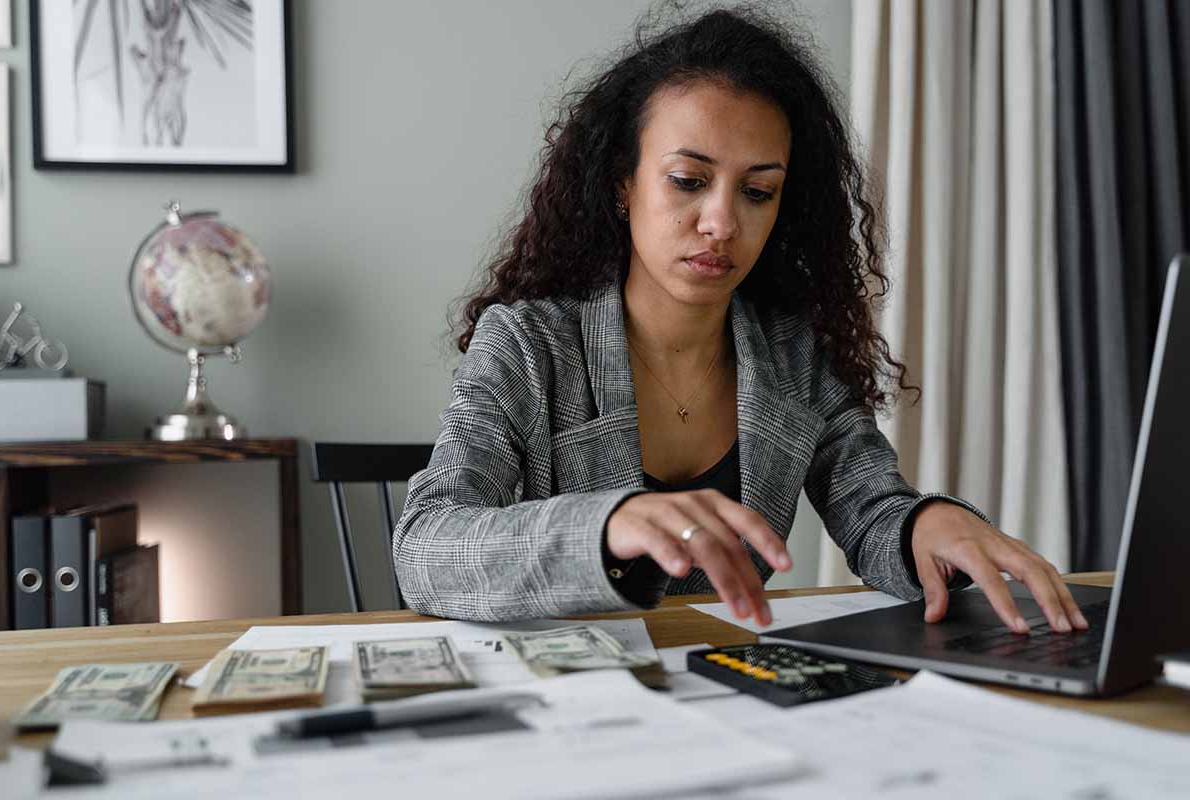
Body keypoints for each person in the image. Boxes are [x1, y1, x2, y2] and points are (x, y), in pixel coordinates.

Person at [395, 5, 1087, 636]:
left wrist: (926, 523)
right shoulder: (528, 344)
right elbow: (427, 545)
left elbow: (871, 508)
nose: (723, 222)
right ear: (622, 182)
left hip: (733, 690)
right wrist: (607, 526)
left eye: (758, 191)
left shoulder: (790, 353)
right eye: (689, 181)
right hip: (577, 703)